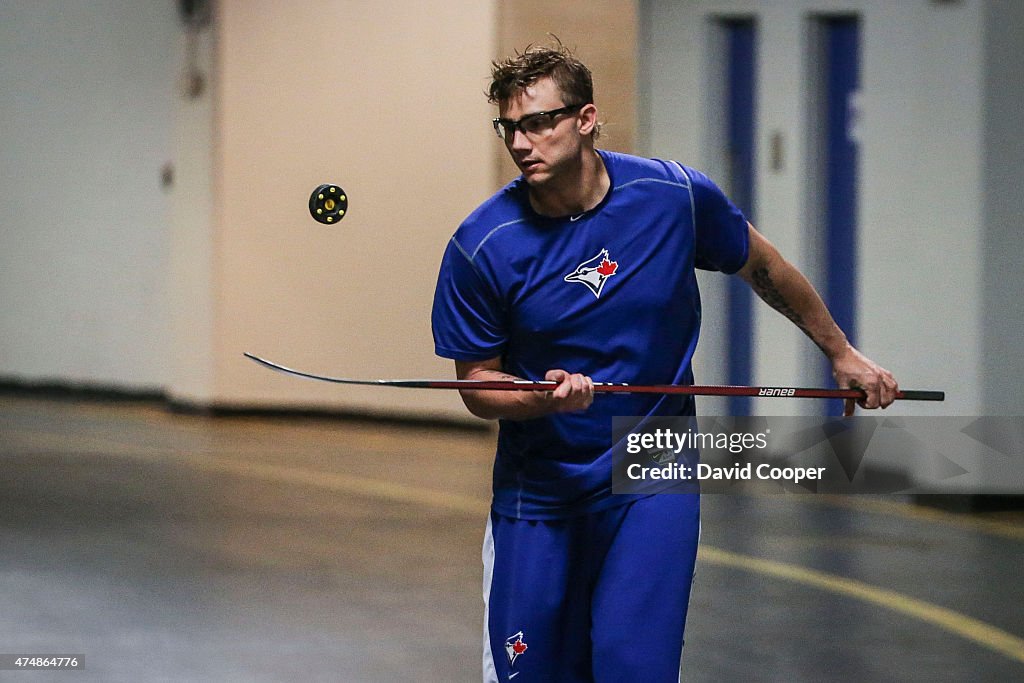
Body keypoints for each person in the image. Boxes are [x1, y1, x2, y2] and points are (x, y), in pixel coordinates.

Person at [431, 42, 898, 683]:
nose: (520, 142)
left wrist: (841, 353)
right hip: (541, 485)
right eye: (509, 127)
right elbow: (478, 385)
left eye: (538, 122)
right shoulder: (483, 245)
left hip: (656, 458)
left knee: (635, 668)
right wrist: (543, 399)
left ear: (587, 118)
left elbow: (762, 265)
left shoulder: (672, 196)